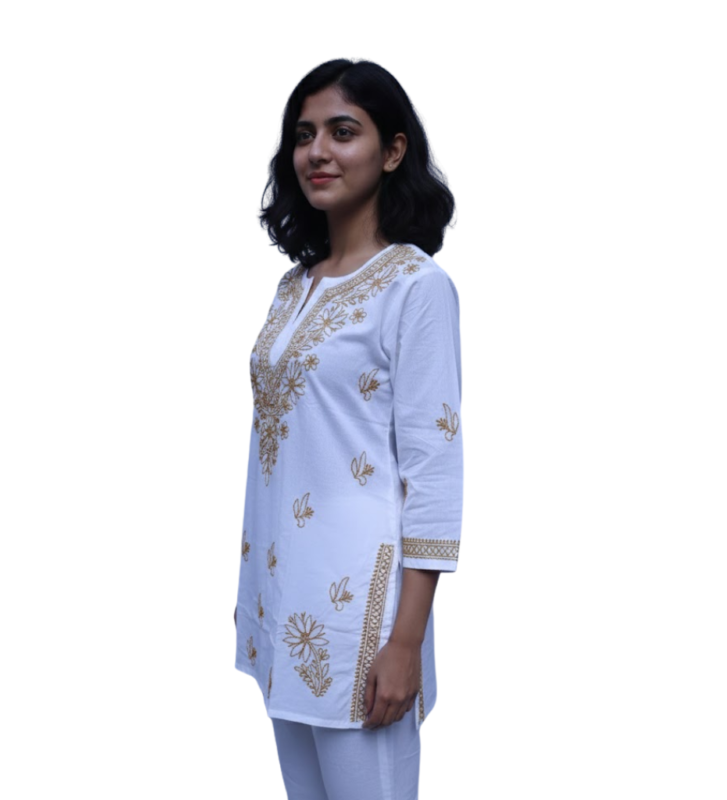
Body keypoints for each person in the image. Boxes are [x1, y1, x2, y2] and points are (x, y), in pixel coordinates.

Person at [233, 58, 463, 800]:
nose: (317, 152)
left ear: (392, 151)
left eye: (342, 132)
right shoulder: (294, 285)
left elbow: (434, 469)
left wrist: (406, 641)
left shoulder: (416, 287)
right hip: (283, 602)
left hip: (361, 615)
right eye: (304, 135)